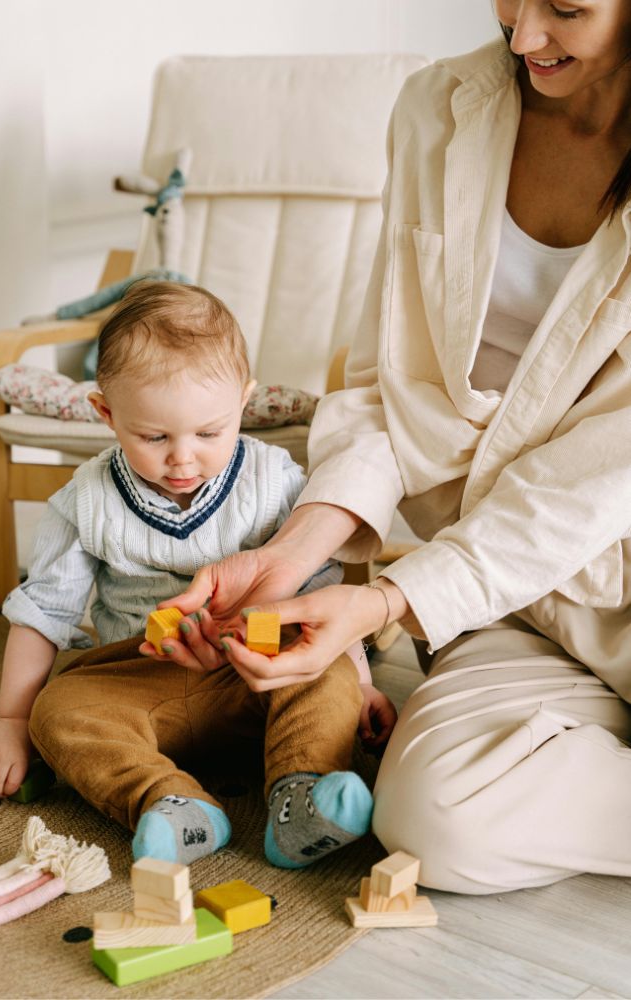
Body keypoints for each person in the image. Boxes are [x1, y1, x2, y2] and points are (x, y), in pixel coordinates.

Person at [159, 0, 631, 894]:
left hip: (598, 566)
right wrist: (292, 555)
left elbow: (592, 486)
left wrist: (386, 608)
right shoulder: (434, 109)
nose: (523, 36)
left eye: (565, 8)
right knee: (434, 818)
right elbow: (386, 388)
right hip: (518, 605)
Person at [0, 280, 397, 868]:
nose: (183, 457)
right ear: (106, 413)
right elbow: (42, 614)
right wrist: (12, 719)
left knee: (323, 675)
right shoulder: (85, 501)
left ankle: (302, 796)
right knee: (59, 712)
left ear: (243, 403)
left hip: (258, 675)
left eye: (208, 432)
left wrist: (360, 681)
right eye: (154, 437)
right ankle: (174, 805)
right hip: (138, 679)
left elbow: (320, 596)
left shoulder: (275, 481)